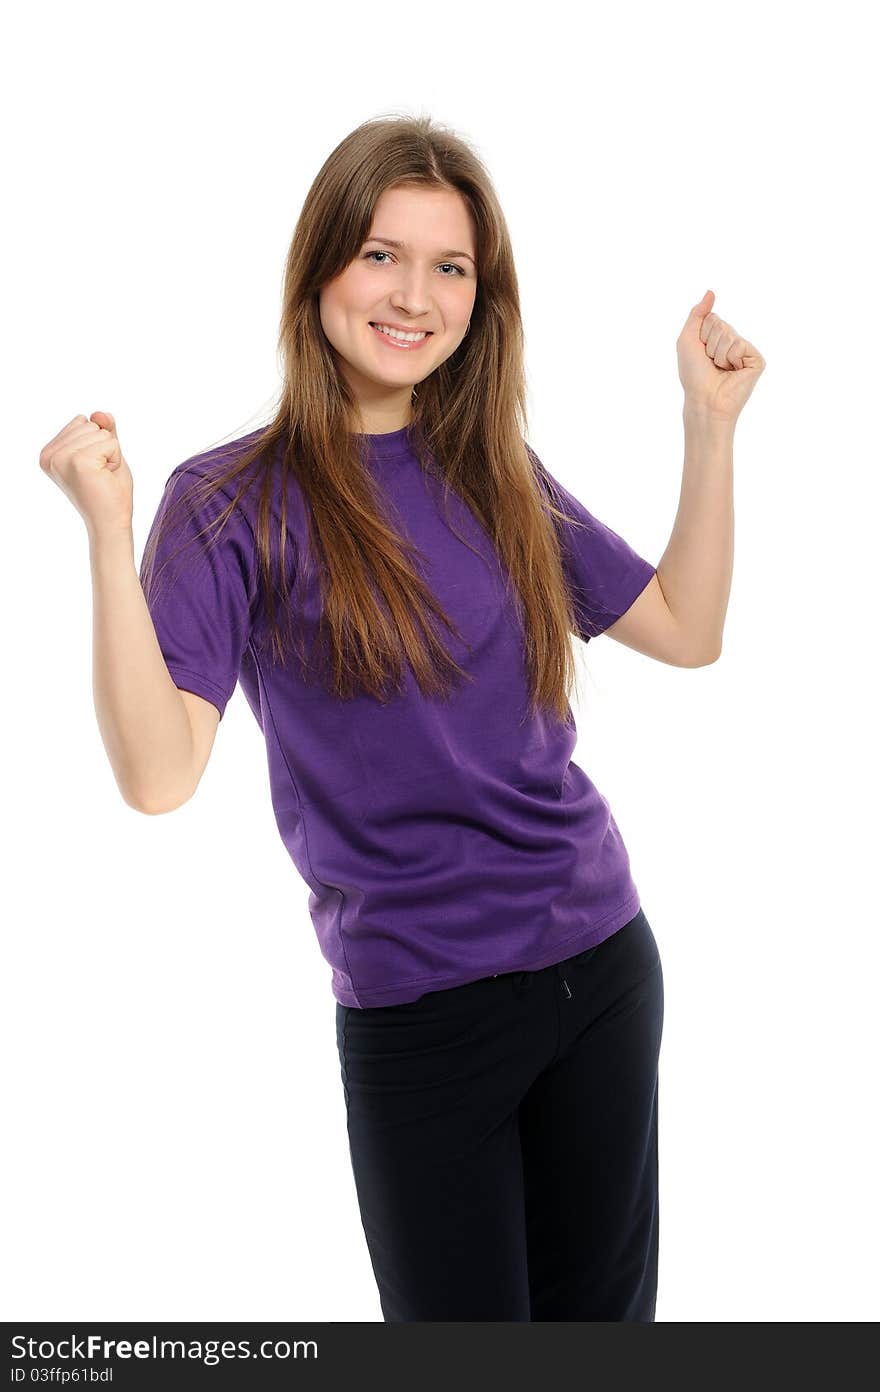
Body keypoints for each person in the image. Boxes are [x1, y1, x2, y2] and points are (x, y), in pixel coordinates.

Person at [39, 114, 763, 1322]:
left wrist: (709, 424)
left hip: (600, 968)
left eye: (451, 266)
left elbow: (686, 628)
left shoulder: (493, 467)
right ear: (320, 265)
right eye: (381, 254)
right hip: (422, 1014)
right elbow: (158, 777)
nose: (413, 296)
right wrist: (108, 541)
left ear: (484, 296)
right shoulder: (228, 503)